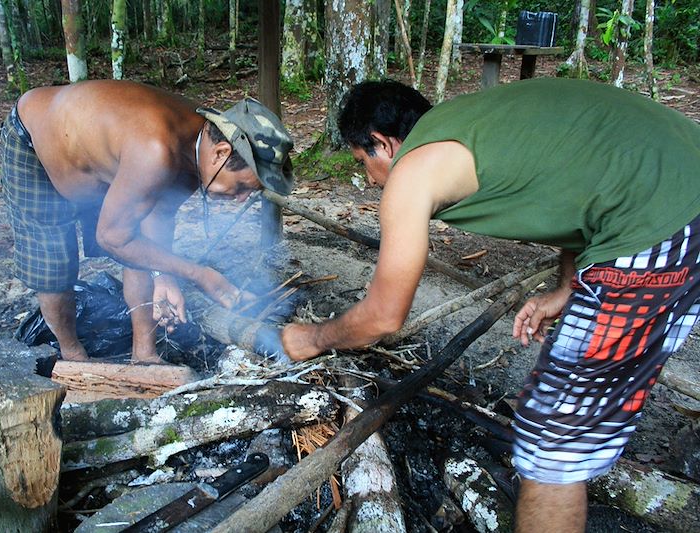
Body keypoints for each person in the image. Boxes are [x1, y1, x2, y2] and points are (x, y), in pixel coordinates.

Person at [281, 78, 700, 532]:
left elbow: (383, 316)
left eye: (365, 161)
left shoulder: (413, 169)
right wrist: (567, 286)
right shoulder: (478, 125)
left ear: (383, 142)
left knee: (551, 438)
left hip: (660, 218)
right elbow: (576, 176)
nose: (367, 178)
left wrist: (312, 338)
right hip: (679, 191)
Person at [0, 80, 293, 363]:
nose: (241, 199)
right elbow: (113, 238)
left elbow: (153, 228)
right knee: (54, 263)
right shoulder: (156, 152)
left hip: (96, 160)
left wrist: (163, 276)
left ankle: (144, 355)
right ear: (221, 153)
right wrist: (197, 274)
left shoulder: (197, 146)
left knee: (139, 247)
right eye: (242, 187)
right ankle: (73, 355)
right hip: (33, 139)